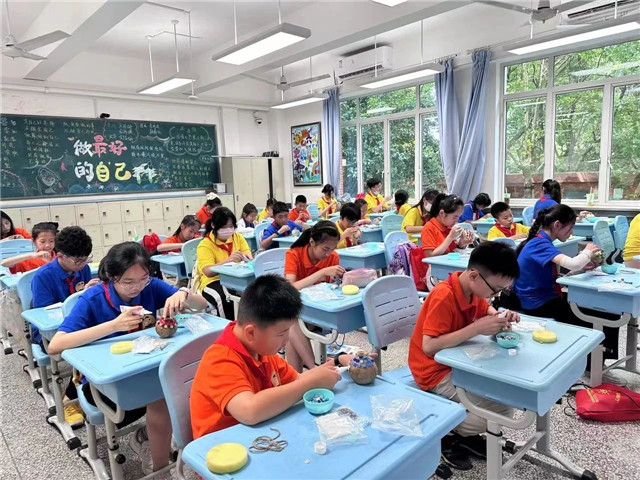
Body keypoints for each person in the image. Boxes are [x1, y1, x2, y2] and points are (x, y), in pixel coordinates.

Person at [47, 241, 208, 475]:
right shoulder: (92, 299)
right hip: (103, 385)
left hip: (144, 370)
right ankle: (158, 461)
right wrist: (113, 325)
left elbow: (202, 305)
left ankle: (159, 462)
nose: (136, 288)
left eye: (142, 279)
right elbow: (55, 345)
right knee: (163, 395)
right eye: (128, 282)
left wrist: (183, 293)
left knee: (181, 386)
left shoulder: (150, 287)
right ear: (112, 277)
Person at [190, 275, 347, 438]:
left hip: (259, 434)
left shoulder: (261, 350)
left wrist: (338, 361)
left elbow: (296, 380)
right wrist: (312, 383)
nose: (287, 339)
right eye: (281, 333)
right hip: (222, 445)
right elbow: (249, 411)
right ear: (251, 332)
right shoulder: (220, 359)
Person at [408, 242, 520, 470]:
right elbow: (429, 347)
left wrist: (499, 316)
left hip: (458, 362)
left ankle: (465, 435)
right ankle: (446, 435)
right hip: (432, 371)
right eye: (495, 290)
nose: (496, 295)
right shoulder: (443, 295)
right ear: (474, 275)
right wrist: (477, 329)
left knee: (504, 404)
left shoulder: (471, 288)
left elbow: (484, 308)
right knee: (493, 414)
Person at [513, 204, 618, 360]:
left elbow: (560, 275)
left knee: (603, 308)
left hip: (543, 297)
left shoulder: (540, 241)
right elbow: (572, 263)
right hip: (537, 303)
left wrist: (582, 267)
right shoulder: (539, 244)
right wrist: (587, 252)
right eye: (570, 227)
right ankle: (592, 363)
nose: (572, 233)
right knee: (599, 314)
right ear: (557, 225)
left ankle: (598, 360)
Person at [31, 226, 99, 424]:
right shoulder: (43, 276)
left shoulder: (82, 269)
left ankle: (95, 390)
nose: (82, 264)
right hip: (49, 332)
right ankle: (71, 399)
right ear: (60, 256)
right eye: (78, 260)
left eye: (85, 259)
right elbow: (45, 315)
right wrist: (80, 296)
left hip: (77, 325)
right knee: (84, 348)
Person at [284, 221, 345, 372]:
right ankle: (314, 369)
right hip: (298, 311)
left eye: (332, 249)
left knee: (291, 327)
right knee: (292, 325)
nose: (328, 254)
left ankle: (305, 375)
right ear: (312, 242)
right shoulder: (294, 254)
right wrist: (321, 273)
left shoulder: (333, 257)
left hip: (319, 312)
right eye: (325, 249)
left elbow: (333, 288)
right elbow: (289, 288)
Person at [197, 207, 252, 320]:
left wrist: (247, 258)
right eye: (223, 227)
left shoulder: (238, 237)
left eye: (231, 226)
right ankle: (228, 328)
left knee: (254, 294)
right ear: (213, 225)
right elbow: (207, 271)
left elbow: (249, 256)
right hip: (213, 281)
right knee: (224, 299)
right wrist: (228, 260)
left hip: (235, 278)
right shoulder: (205, 244)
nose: (228, 230)